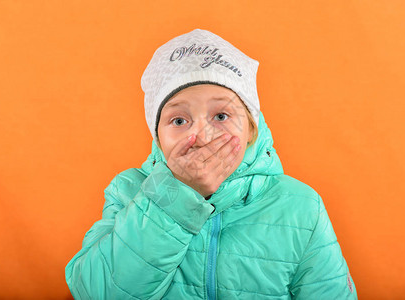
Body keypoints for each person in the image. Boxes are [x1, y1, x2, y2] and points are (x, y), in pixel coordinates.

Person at [65, 28, 358, 299]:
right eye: (179, 120)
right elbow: (95, 292)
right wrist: (174, 197)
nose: (201, 136)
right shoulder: (128, 192)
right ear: (158, 137)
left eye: (221, 116)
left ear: (252, 129)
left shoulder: (301, 207)